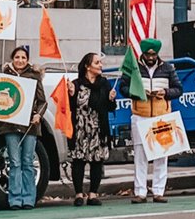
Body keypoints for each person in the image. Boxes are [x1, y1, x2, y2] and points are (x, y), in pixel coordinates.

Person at [120, 37, 181, 204]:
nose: (151, 57)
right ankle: (140, 192)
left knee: (162, 156)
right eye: (148, 54)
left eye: (154, 54)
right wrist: (138, 93)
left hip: (162, 116)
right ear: (143, 54)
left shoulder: (168, 68)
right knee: (140, 156)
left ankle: (158, 191)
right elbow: (123, 88)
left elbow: (179, 89)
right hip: (140, 115)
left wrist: (165, 93)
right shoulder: (134, 68)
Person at [0, 45, 47, 210]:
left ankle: (29, 198)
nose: (20, 60)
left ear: (27, 60)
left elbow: (43, 101)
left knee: (27, 161)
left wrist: (38, 115)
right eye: (17, 57)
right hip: (9, 125)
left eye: (23, 58)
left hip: (30, 126)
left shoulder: (34, 76)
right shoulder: (4, 76)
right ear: (12, 59)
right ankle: (15, 199)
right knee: (14, 162)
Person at [65, 51, 116, 207]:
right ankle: (79, 194)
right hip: (80, 127)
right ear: (87, 66)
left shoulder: (105, 84)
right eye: (97, 63)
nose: (100, 65)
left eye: (100, 63)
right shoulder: (77, 84)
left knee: (97, 161)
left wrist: (111, 99)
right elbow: (70, 107)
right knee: (78, 161)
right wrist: (71, 94)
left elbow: (110, 108)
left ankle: (93, 194)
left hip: (98, 128)